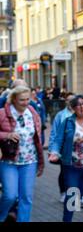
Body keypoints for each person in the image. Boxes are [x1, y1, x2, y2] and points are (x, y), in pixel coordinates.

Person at [0, 86, 44, 222]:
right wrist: (7, 135)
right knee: (10, 195)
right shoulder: (2, 113)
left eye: (27, 99)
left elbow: (37, 135)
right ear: (13, 99)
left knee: (26, 197)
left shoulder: (32, 111)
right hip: (9, 161)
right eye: (21, 100)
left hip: (30, 161)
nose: (26, 103)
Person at [48, 92, 83, 207]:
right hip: (65, 151)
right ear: (65, 102)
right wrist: (52, 149)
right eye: (68, 100)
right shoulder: (61, 116)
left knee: (81, 173)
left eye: (73, 100)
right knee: (66, 174)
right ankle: (67, 195)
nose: (71, 102)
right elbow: (54, 133)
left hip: (80, 151)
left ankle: (82, 197)